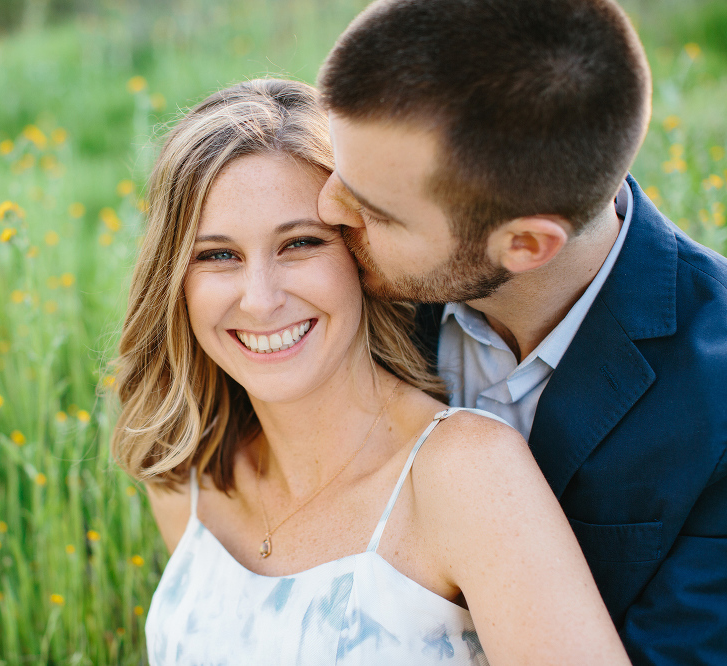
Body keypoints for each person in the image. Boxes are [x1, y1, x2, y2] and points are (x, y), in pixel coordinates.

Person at [111, 78, 630, 665]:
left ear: (361, 256)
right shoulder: (190, 477)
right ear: (174, 280)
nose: (259, 300)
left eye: (300, 244)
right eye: (217, 255)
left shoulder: (465, 473)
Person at [316, 1, 727, 664]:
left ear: (527, 244)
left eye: (377, 212)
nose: (325, 209)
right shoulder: (342, 292)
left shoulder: (719, 405)